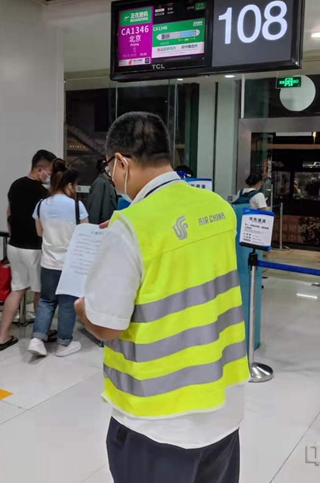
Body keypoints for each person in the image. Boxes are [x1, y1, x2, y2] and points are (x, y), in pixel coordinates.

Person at [75, 112, 250, 483]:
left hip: (157, 422)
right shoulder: (219, 209)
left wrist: (81, 309)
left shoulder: (130, 227)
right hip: (224, 407)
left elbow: (107, 326)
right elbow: (181, 258)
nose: (112, 177)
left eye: (109, 168)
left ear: (121, 161)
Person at [0, 149, 57, 351]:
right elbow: (45, 224)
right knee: (40, 293)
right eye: (49, 172)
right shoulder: (43, 194)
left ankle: (2, 337)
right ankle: (41, 333)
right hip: (34, 249)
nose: (49, 176)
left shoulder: (16, 185)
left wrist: (14, 236)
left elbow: (9, 214)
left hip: (14, 246)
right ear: (40, 169)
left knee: (17, 289)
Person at [28, 159, 88, 357]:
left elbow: (39, 232)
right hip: (70, 264)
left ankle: (38, 339)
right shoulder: (77, 206)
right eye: (75, 185)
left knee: (46, 301)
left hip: (48, 262)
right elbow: (85, 234)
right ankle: (64, 343)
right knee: (67, 303)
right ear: (69, 185)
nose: (76, 189)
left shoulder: (41, 205)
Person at [86, 159, 117, 225]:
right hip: (101, 227)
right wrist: (93, 228)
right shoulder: (100, 183)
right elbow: (95, 209)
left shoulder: (107, 183)